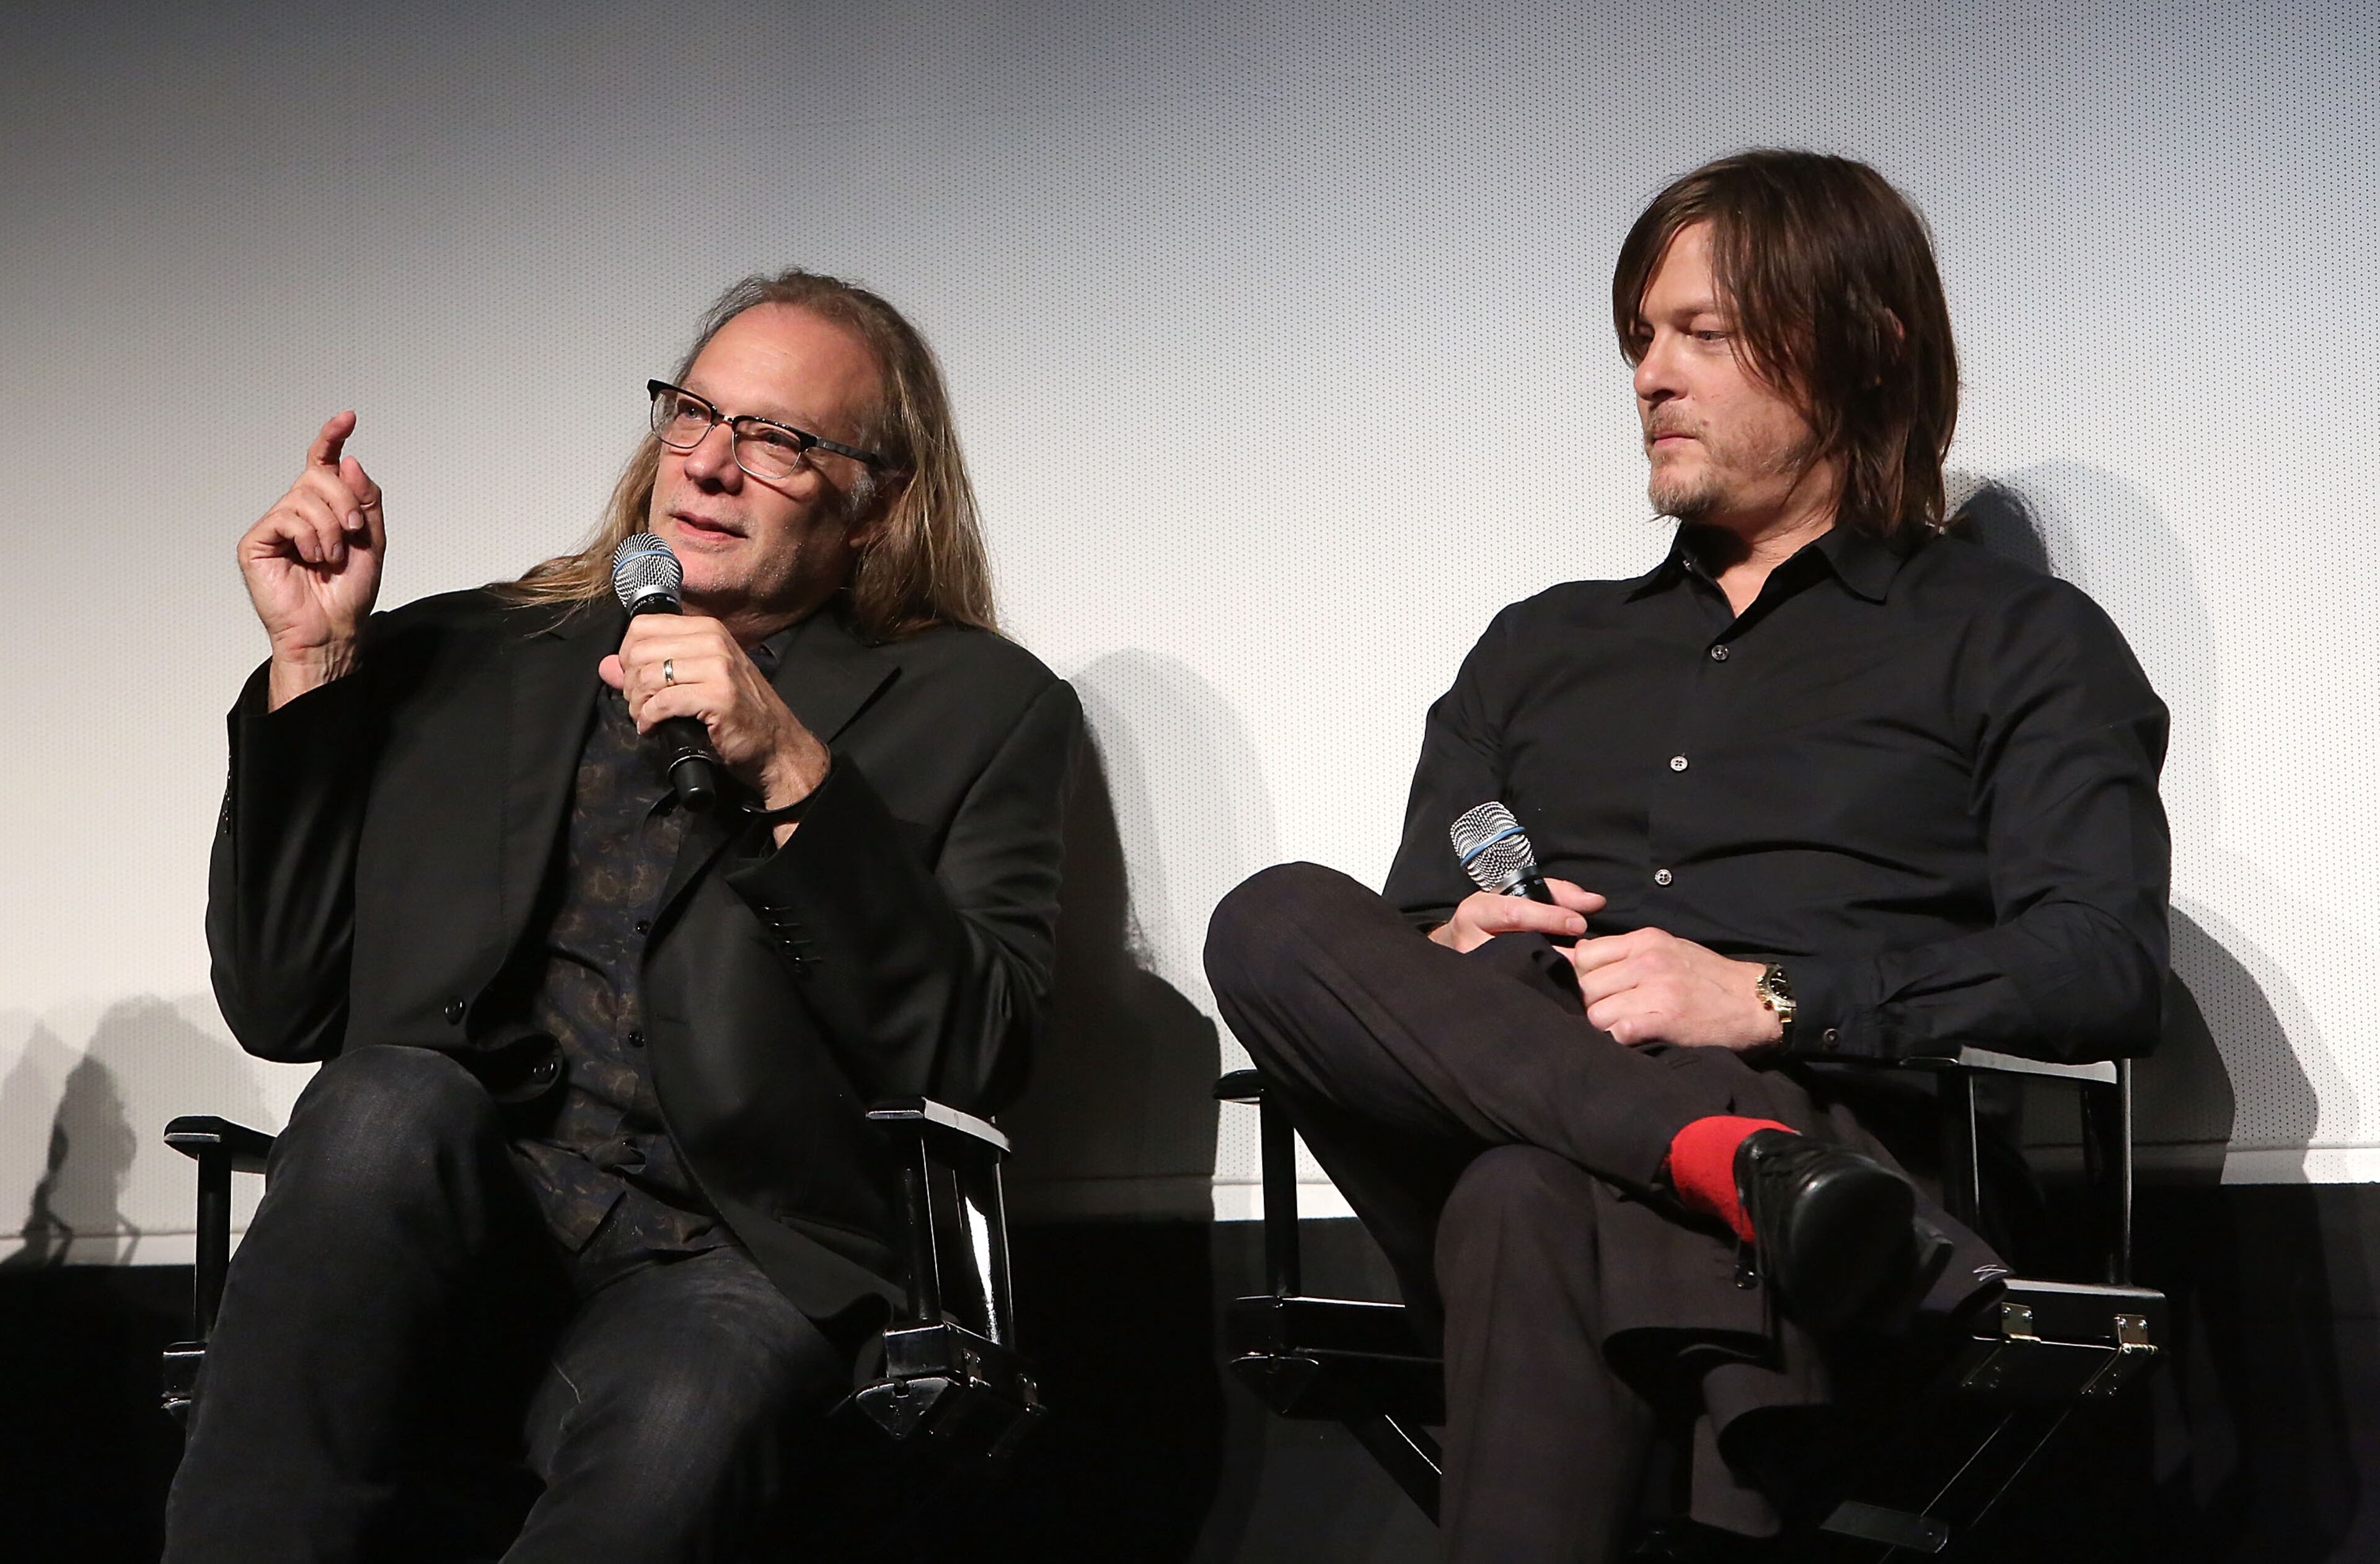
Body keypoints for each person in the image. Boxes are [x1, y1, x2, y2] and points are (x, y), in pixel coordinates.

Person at [1204, 150, 2169, 1560]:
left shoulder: (2017, 639)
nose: (1652, 374)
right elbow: (1403, 938)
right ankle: (1719, 1155)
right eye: (1641, 338)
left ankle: (1738, 1145)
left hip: (1838, 1201)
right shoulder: (1539, 645)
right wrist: (1453, 952)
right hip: (1639, 1153)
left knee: (1529, 1194)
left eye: (1702, 333)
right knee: (1273, 914)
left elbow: (2100, 963)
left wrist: (1771, 997)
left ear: (1867, 344)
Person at [165, 270, 1083, 1562]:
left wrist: (787, 771)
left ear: (879, 502)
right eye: (693, 414)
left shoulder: (982, 708)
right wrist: (313, 665)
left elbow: (977, 1052)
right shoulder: (466, 653)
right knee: (386, 1101)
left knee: (692, 1408)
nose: (708, 464)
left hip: (719, 1255)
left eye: (775, 440)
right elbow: (282, 998)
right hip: (445, 1221)